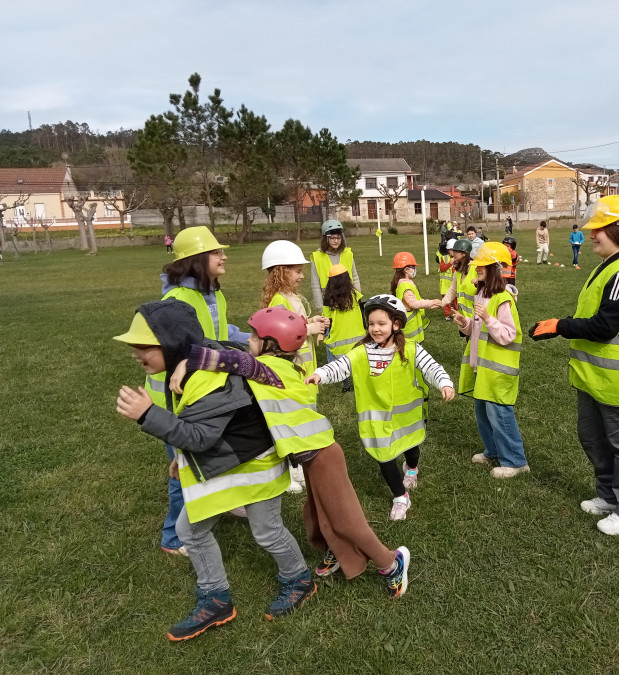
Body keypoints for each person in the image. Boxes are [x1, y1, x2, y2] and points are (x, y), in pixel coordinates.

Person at [174, 306, 412, 601]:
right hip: (308, 457)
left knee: (347, 520)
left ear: (270, 345)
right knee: (316, 516)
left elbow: (237, 360)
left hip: (323, 456)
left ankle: (391, 562)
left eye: (254, 336)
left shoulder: (269, 370)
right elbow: (237, 352)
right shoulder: (281, 366)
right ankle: (336, 552)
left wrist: (190, 360)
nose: (248, 340)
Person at [114, 301, 313, 641]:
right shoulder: (190, 366)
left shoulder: (206, 379)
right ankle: (216, 597)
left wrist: (148, 416)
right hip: (228, 462)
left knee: (266, 531)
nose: (135, 353)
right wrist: (181, 457)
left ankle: (298, 579)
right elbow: (198, 425)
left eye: (144, 345)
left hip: (254, 465)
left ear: (173, 342)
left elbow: (202, 437)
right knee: (190, 531)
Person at [529, 195, 619, 536]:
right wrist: (562, 323)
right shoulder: (609, 267)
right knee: (593, 438)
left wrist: (560, 326)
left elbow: (603, 327)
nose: (590, 235)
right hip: (595, 379)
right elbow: (592, 318)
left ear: (616, 230)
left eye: (596, 229)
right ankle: (611, 496)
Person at [148, 226, 251, 555]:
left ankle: (225, 503)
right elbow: (179, 353)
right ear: (195, 259)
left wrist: (255, 339)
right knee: (184, 466)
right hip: (176, 399)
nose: (224, 256)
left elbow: (222, 331)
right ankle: (172, 537)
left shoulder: (213, 293)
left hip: (206, 388)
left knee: (216, 452)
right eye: (216, 252)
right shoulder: (178, 300)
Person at [306, 295, 454, 520]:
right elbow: (341, 365)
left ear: (396, 324)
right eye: (371, 323)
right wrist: (320, 374)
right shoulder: (362, 351)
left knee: (411, 448)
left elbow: (431, 367)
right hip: (377, 421)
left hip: (407, 419)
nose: (375, 328)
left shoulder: (411, 349)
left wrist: (444, 383)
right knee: (384, 458)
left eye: (381, 323)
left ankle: (411, 468)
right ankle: (400, 496)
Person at [449, 242, 528, 478]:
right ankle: (493, 450)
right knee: (482, 411)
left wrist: (489, 318)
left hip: (497, 370)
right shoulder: (481, 294)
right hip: (482, 367)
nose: (477, 269)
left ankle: (516, 461)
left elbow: (507, 335)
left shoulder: (502, 298)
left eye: (482, 266)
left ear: (494, 268)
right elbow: (476, 330)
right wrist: (464, 324)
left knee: (499, 413)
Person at [260, 240, 330, 491]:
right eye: (297, 270)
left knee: (301, 417)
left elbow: (296, 323)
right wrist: (308, 328)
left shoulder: (291, 297)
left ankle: (296, 466)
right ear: (281, 271)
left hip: (304, 370)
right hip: (291, 372)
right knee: (289, 420)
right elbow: (281, 338)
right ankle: (287, 470)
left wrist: (310, 320)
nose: (302, 276)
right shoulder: (279, 300)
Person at [321, 264, 366, 392]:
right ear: (347, 279)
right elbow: (362, 315)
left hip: (339, 339)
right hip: (357, 337)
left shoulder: (328, 300)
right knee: (358, 363)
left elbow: (327, 320)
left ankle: (346, 386)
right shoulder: (356, 295)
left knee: (341, 364)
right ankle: (360, 385)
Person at [310, 220, 361, 315]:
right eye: (332, 238)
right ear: (325, 239)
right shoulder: (317, 257)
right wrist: (320, 308)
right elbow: (315, 285)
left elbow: (355, 277)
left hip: (348, 299)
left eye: (338, 238)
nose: (336, 241)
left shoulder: (347, 254)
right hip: (329, 301)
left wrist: (357, 298)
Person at [390, 252, 442, 343]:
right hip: (410, 330)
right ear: (406, 269)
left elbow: (416, 300)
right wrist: (432, 302)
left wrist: (432, 305)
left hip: (410, 328)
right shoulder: (405, 285)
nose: (415, 269)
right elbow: (413, 303)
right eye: (413, 267)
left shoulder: (403, 283)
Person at [441, 238, 478, 324]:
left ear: (464, 254)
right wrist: (441, 303)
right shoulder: (458, 271)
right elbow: (452, 290)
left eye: (456, 251)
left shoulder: (476, 268)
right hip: (463, 318)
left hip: (476, 318)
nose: (453, 254)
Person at [435, 240, 455, 320]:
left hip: (455, 283)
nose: (452, 252)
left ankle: (457, 313)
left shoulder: (459, 258)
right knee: (446, 299)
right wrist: (450, 263)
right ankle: (447, 315)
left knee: (456, 299)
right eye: (451, 249)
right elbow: (442, 268)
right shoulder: (445, 258)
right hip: (445, 284)